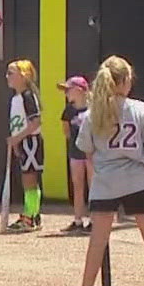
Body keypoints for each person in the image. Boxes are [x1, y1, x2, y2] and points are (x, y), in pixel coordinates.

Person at [67, 56, 144, 286]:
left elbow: (86, 149)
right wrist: (142, 156)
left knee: (98, 239)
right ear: (126, 81)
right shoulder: (141, 110)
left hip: (106, 181)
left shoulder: (93, 113)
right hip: (139, 180)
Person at [5, 59, 44, 232]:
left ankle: (30, 216)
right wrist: (15, 141)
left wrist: (18, 138)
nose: (7, 77)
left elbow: (35, 122)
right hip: (22, 142)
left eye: (11, 73)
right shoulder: (16, 98)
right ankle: (32, 213)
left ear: (23, 76)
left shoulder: (28, 96)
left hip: (31, 142)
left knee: (30, 180)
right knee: (26, 179)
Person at [60, 74, 92, 234]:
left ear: (80, 90)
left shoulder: (93, 108)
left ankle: (94, 220)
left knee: (93, 185)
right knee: (78, 185)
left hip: (92, 153)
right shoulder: (68, 111)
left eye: (68, 90)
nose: (66, 93)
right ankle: (78, 220)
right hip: (76, 151)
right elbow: (66, 131)